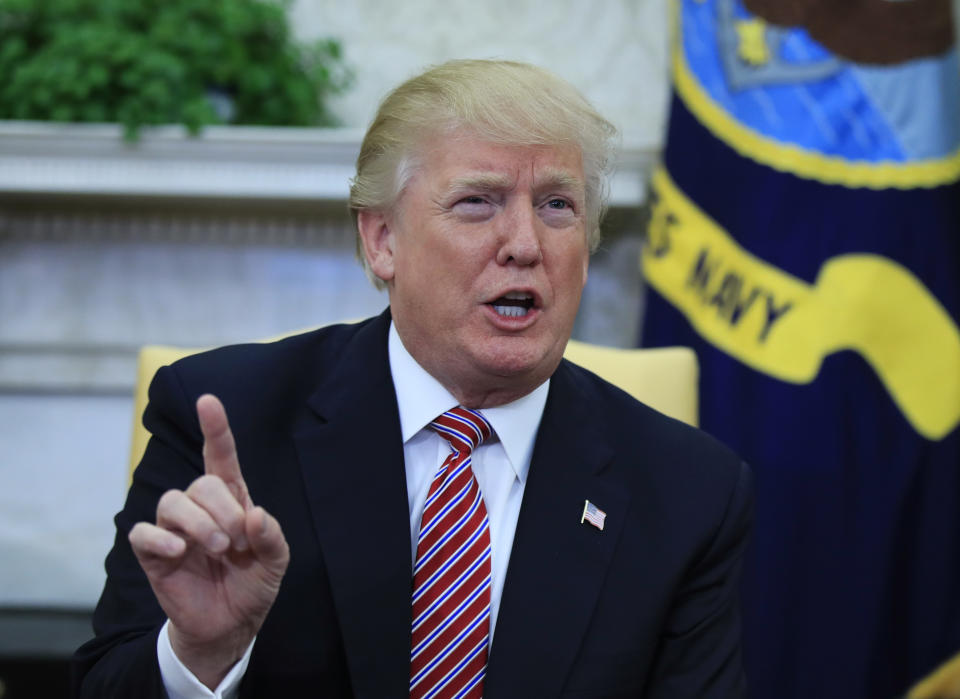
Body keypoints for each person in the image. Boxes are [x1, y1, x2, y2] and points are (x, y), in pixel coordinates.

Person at [73, 59, 753, 698]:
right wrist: (200, 652)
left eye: (556, 206)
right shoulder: (230, 421)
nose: (524, 242)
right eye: (478, 202)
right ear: (382, 240)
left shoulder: (688, 490)